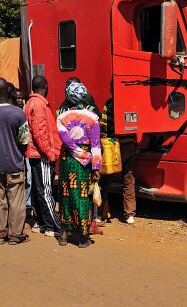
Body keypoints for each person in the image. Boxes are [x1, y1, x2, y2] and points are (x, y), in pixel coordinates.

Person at [0, 78, 31, 245]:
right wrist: (18, 154)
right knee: (16, 201)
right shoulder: (19, 113)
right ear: (10, 92)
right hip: (14, 163)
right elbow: (24, 140)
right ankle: (15, 235)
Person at [57, 81, 102, 248]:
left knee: (66, 195)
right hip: (85, 162)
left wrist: (79, 155)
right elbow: (96, 144)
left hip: (67, 160)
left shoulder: (61, 118)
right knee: (83, 197)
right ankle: (83, 237)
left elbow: (67, 142)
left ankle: (64, 234)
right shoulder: (93, 118)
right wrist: (94, 165)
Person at [24, 75, 62, 237]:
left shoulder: (29, 103)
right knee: (45, 190)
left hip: (34, 154)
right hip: (41, 155)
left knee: (37, 190)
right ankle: (52, 226)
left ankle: (39, 222)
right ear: (45, 86)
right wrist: (50, 154)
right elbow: (40, 134)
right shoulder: (39, 104)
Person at [100, 97, 137, 225]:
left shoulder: (109, 103)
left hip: (113, 145)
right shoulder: (132, 102)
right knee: (129, 177)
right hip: (130, 144)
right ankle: (129, 213)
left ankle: (100, 212)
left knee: (107, 179)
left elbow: (104, 126)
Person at [8, 83, 34, 220]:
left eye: (21, 98)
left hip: (26, 150)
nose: (19, 100)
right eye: (17, 97)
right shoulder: (11, 113)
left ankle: (28, 205)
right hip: (15, 152)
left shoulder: (25, 110)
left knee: (28, 179)